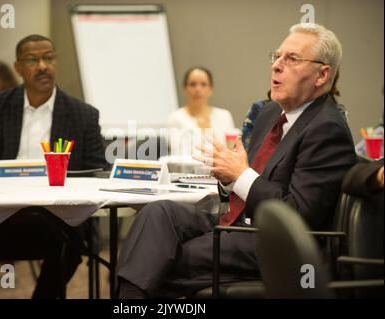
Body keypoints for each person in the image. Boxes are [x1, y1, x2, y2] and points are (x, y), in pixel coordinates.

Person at [116, 23, 357, 298]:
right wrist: (229, 178)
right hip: (238, 221)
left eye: (291, 59)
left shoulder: (327, 128)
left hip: (274, 242)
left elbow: (297, 216)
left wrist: (240, 175)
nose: (277, 65)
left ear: (322, 74)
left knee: (158, 258)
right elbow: (245, 184)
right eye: (276, 56)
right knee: (158, 214)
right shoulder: (269, 114)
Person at [0, 34, 107, 299]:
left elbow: (96, 172)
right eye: (32, 60)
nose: (42, 65)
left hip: (56, 217)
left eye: (48, 58)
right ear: (18, 68)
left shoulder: (83, 114)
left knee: (69, 243)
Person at [167, 67, 236, 156]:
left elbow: (230, 153)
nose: (198, 89)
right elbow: (180, 154)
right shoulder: (175, 119)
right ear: (185, 88)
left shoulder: (224, 116)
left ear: (210, 89)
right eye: (192, 84)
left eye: (203, 84)